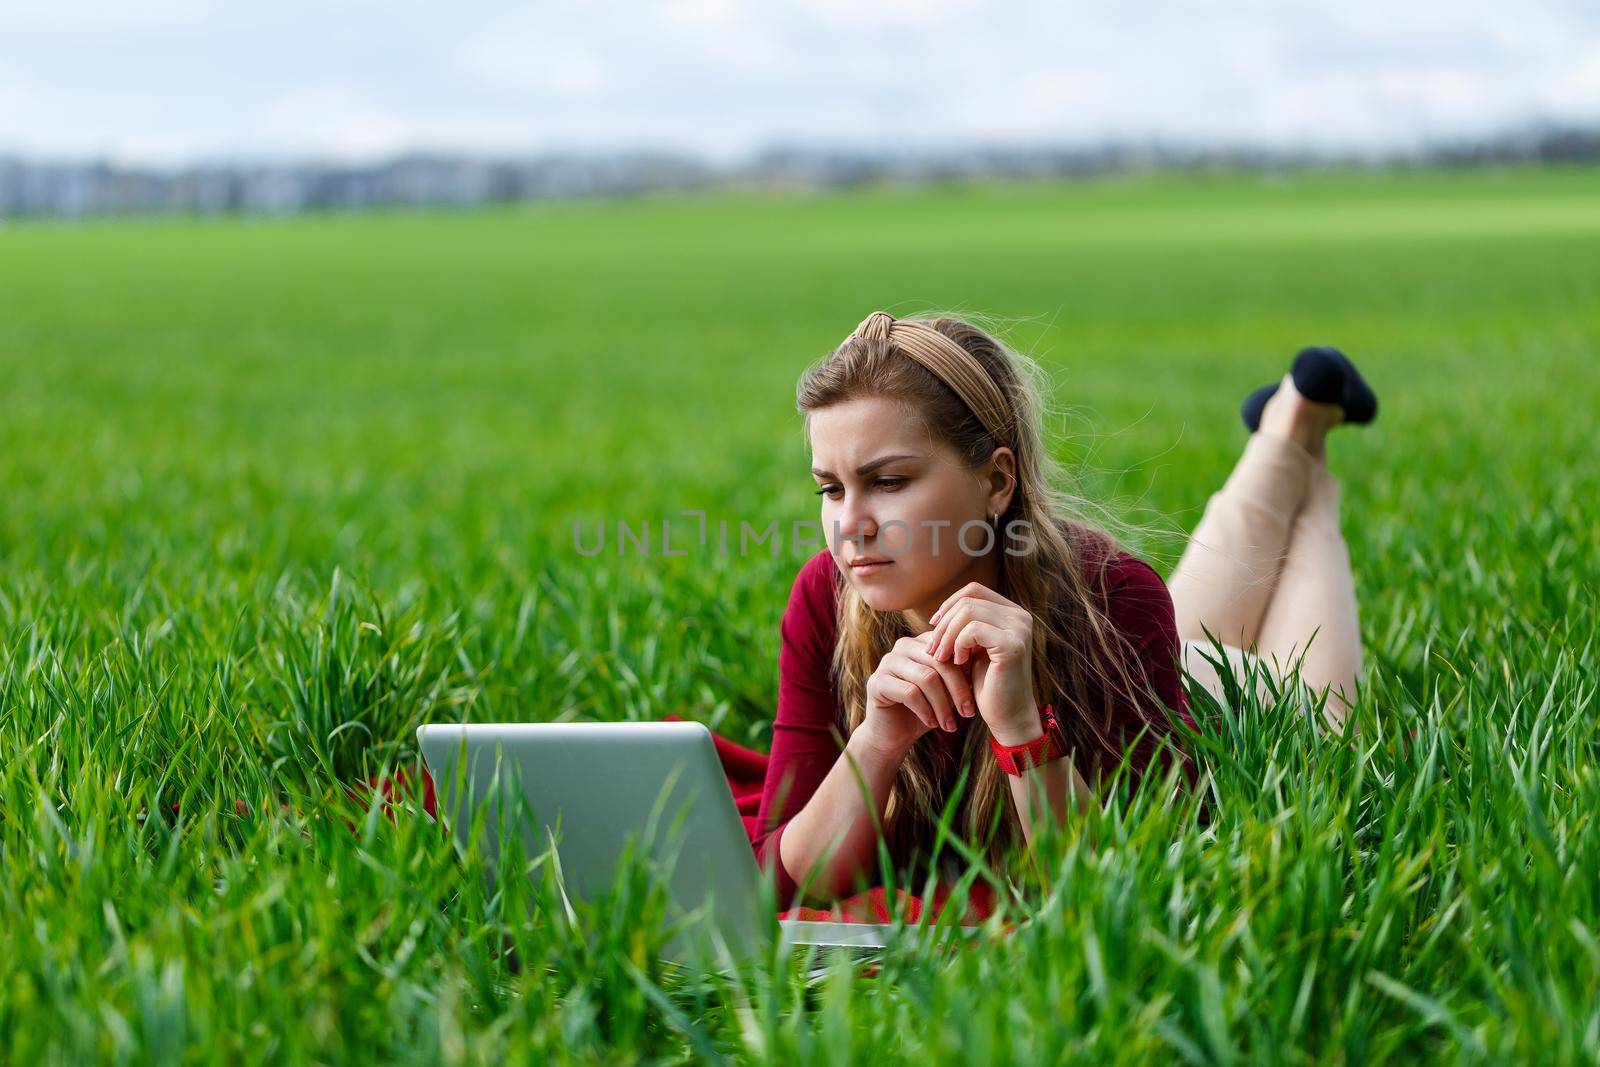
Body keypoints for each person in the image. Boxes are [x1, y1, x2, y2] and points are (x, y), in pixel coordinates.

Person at [753, 311, 1376, 908]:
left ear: (997, 482)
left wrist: (1023, 728)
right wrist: (876, 743)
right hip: (1159, 657)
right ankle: (1288, 423)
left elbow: (1132, 881)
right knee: (1200, 593)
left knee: (1329, 711)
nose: (850, 527)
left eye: (888, 482)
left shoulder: (1114, 599)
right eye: (831, 490)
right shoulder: (826, 596)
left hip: (1231, 697)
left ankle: (1300, 438)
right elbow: (777, 877)